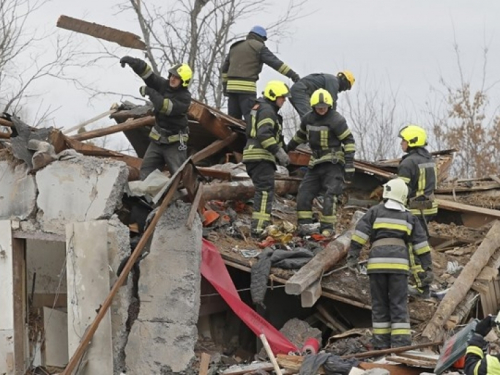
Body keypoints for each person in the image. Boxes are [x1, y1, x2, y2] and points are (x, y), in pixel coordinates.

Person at [346, 178, 433, 349]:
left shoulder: (375, 212)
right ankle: (400, 345)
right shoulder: (409, 217)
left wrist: (353, 256)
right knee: (398, 304)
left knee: (379, 305)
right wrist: (427, 267)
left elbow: (359, 235)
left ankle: (381, 345)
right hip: (399, 266)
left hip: (376, 265)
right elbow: (421, 245)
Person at [287, 88, 355, 237]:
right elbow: (300, 136)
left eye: (324, 107)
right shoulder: (308, 119)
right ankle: (304, 226)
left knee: (330, 195)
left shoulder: (337, 120)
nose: (322, 110)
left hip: (333, 163)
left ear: (329, 106)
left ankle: (327, 229)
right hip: (315, 163)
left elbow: (349, 141)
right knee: (304, 193)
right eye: (319, 108)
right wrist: (287, 148)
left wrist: (349, 164)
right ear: (313, 107)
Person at [120, 56, 192, 180]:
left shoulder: (184, 97)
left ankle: (181, 198)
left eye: (177, 78)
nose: (172, 79)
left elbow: (165, 106)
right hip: (157, 140)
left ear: (183, 81)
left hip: (175, 143)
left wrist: (149, 91)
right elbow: (149, 75)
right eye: (172, 76)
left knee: (179, 176)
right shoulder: (164, 84)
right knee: (146, 172)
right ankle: (145, 197)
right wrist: (133, 62)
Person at [242, 80, 291, 237]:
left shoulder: (260, 108)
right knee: (264, 192)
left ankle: (260, 225)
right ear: (273, 96)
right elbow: (264, 134)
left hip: (252, 155)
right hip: (261, 156)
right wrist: (279, 152)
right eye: (282, 97)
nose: (284, 101)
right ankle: (259, 228)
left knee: (262, 191)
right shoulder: (268, 110)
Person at [221, 25, 300, 122]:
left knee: (233, 121)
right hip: (247, 89)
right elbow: (276, 63)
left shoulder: (235, 47)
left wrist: (225, 87)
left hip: (232, 89)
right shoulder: (259, 47)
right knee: (251, 121)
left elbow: (224, 69)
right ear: (262, 38)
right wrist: (293, 76)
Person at [397, 124, 437, 298]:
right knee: (422, 246)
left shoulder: (408, 163)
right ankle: (424, 283)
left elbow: (401, 189)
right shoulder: (428, 159)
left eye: (404, 140)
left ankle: (422, 287)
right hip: (427, 207)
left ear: (412, 142)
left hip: (413, 209)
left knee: (413, 249)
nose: (401, 144)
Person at [289, 71, 355, 118]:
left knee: (311, 117)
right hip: (300, 91)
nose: (344, 90)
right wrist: (335, 121)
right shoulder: (334, 82)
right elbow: (332, 103)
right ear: (344, 80)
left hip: (299, 91)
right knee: (309, 118)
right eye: (347, 87)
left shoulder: (331, 80)